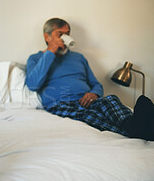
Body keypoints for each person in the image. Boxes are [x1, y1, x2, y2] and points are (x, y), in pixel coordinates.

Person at [25, 17, 154, 140]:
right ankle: (140, 130)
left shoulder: (78, 58)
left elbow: (96, 84)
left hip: (88, 101)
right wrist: (50, 52)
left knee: (110, 100)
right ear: (47, 37)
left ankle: (135, 124)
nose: (66, 38)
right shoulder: (36, 58)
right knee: (90, 116)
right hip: (60, 103)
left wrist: (94, 93)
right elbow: (33, 84)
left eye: (68, 34)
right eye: (60, 34)